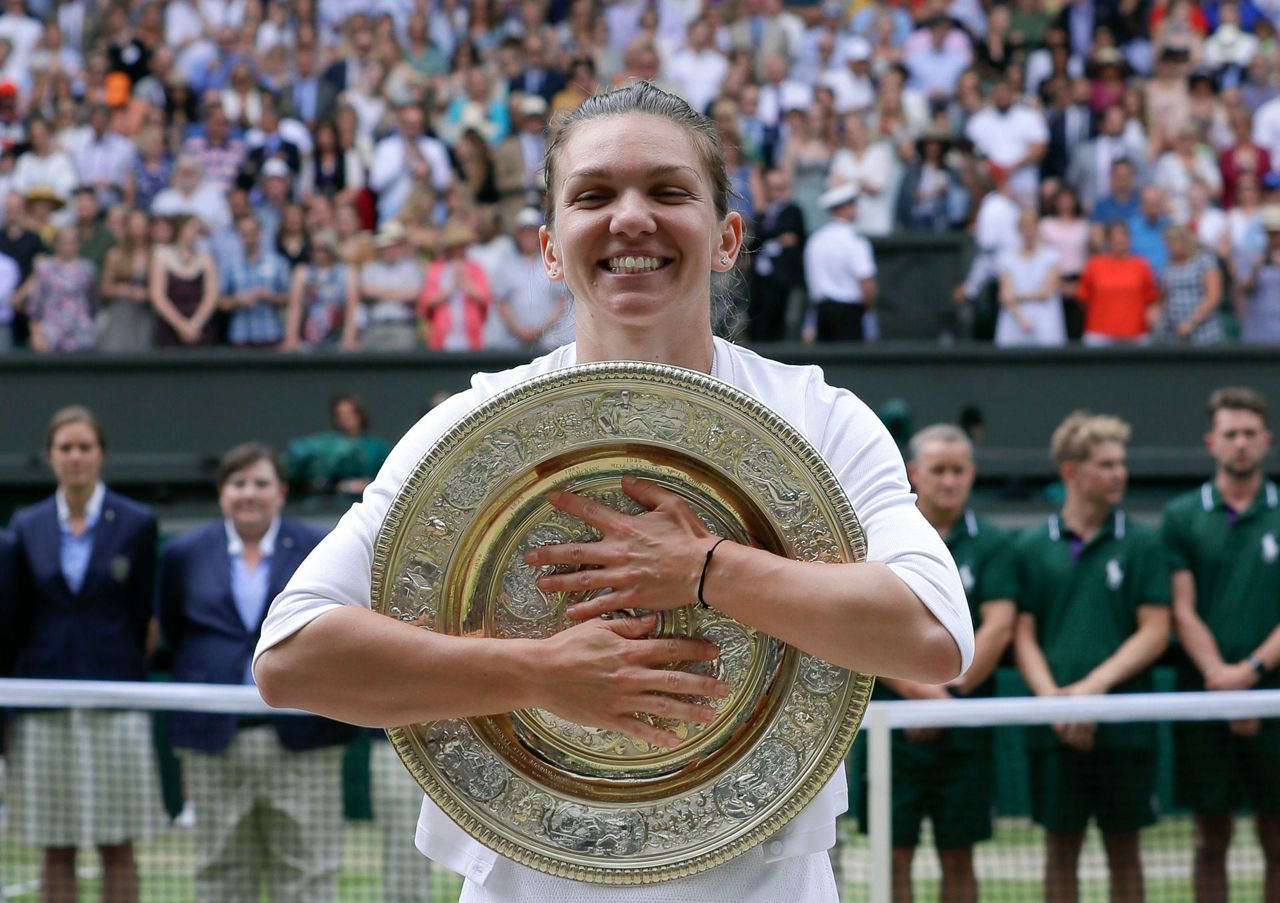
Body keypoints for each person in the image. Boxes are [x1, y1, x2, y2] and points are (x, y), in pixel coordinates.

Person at [253, 82, 972, 903]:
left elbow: (933, 634)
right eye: (593, 195)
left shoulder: (822, 419)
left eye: (668, 191)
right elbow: (292, 656)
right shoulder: (467, 428)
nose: (632, 218)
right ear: (552, 247)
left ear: (728, 236)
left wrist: (705, 567)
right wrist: (537, 671)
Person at [159, 443, 357, 902]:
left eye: (261, 483)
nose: (249, 494)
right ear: (221, 492)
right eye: (238, 483)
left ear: (281, 492)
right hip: (215, 740)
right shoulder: (185, 553)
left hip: (304, 737)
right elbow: (174, 629)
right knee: (221, 869)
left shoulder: (318, 547)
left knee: (309, 871)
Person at [7, 405, 165, 902]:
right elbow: (16, 615)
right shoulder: (26, 524)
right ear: (51, 457)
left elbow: (143, 614)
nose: (75, 457)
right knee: (56, 847)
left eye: (84, 447)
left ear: (101, 455)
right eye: (65, 448)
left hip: (115, 698)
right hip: (44, 701)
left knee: (118, 843)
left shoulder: (138, 522)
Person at [1013, 412, 1171, 903]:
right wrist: (1054, 703)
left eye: (1121, 464)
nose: (1119, 474)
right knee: (1060, 851)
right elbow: (1022, 634)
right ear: (1072, 472)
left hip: (1124, 725)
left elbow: (1155, 630)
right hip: (1055, 727)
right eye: (1106, 464)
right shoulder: (1032, 547)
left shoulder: (1144, 543)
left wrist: (1088, 693)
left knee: (1125, 850)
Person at [868, 424, 1017, 903]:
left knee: (959, 855)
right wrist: (920, 696)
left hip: (964, 726)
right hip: (894, 729)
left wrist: (949, 698)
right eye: (938, 470)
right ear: (914, 473)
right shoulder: (880, 539)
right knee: (893, 853)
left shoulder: (994, 544)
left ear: (972, 475)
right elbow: (862, 632)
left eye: (958, 471)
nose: (948, 481)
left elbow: (999, 625)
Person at [1162, 387, 1280, 903]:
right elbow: (1181, 610)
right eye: (1230, 434)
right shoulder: (1182, 516)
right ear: (1212, 441)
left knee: (1278, 839)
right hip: (1206, 696)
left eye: (1250, 434)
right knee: (1211, 839)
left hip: (1272, 698)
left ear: (1267, 440)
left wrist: (1250, 674)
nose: (1241, 444)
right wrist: (1222, 680)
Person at [803, 183, 877, 343]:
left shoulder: (815, 240)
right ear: (846, 208)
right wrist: (868, 310)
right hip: (849, 314)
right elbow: (866, 283)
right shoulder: (855, 240)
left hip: (822, 313)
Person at [284, 394, 390, 499]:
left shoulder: (377, 446)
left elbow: (389, 478)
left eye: (350, 412)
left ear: (360, 415)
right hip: (329, 502)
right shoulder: (325, 443)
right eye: (341, 414)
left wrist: (366, 484)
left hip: (368, 499)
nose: (346, 417)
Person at [1077, 222, 1160, 346]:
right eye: (1114, 237)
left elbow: (1151, 298)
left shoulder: (1141, 265)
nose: (1119, 240)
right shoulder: (1094, 264)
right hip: (1099, 333)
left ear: (1129, 239)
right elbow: (1083, 297)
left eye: (1123, 236)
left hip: (1135, 332)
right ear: (1108, 240)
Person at [18, 225, 96, 352]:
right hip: (51, 333)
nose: (68, 246)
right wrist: (36, 334)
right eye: (64, 242)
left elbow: (92, 301)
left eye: (72, 242)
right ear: (56, 244)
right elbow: (34, 305)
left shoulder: (87, 269)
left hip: (81, 333)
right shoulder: (44, 268)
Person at [995, 209, 1066, 347]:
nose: (1028, 231)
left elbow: (1046, 292)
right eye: (1024, 226)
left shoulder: (1052, 256)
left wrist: (1016, 295)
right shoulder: (1007, 258)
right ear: (1018, 229)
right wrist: (1021, 319)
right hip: (1014, 326)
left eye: (1031, 226)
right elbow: (1005, 294)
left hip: (1046, 325)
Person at [417, 219, 491, 351]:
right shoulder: (436, 269)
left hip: (470, 337)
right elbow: (426, 302)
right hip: (443, 337)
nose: (460, 249)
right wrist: (450, 288)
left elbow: (485, 298)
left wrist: (465, 283)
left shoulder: (476, 268)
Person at [149, 214, 219, 347]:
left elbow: (211, 296)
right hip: (169, 328)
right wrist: (182, 326)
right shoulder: (161, 255)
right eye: (192, 228)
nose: (196, 233)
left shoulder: (206, 257)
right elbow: (158, 297)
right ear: (180, 229)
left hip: (201, 328)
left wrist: (195, 325)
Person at [1154, 225, 1225, 344]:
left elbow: (1213, 297)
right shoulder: (1167, 266)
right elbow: (1164, 297)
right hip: (1173, 334)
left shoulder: (1204, 260)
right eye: (1167, 243)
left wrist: (1191, 322)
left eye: (1173, 242)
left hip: (1203, 334)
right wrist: (1156, 311)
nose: (1170, 246)